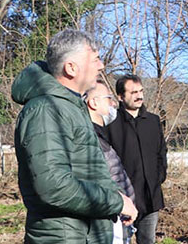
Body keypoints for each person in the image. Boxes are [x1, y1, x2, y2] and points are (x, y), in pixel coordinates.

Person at [12, 29, 137, 243]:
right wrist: (115, 201)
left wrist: (116, 194)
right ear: (71, 68)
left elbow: (86, 170)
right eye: (95, 59)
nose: (101, 65)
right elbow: (53, 186)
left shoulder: (70, 106)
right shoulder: (46, 110)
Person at [106, 74, 167, 244]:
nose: (139, 96)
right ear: (120, 96)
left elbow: (161, 152)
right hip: (123, 198)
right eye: (133, 92)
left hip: (150, 197)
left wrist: (159, 176)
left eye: (141, 91)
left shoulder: (153, 121)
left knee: (148, 240)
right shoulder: (111, 122)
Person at [86, 81, 137, 244]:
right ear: (93, 102)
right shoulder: (90, 139)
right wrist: (120, 203)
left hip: (118, 218)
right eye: (108, 98)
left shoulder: (100, 136)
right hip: (108, 223)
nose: (114, 103)